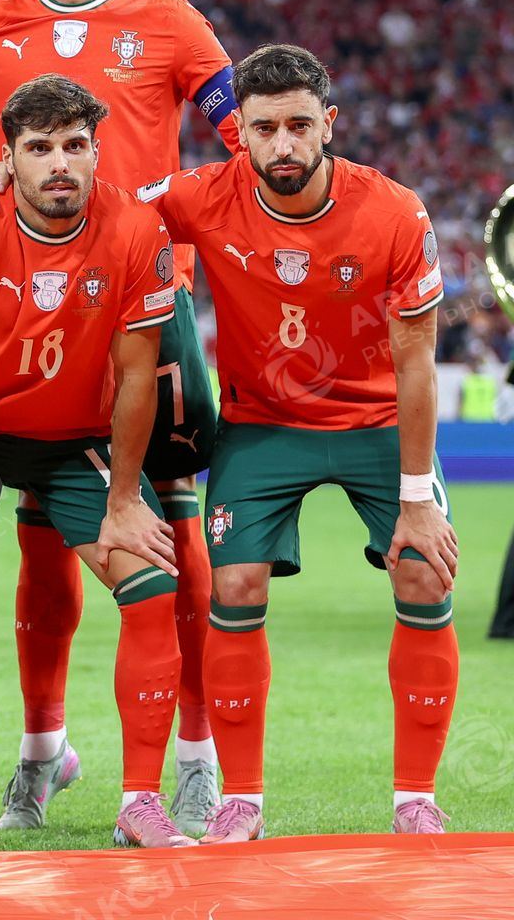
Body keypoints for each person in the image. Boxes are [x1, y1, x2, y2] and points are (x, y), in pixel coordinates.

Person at [0, 0, 239, 835]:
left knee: (164, 529)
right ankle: (41, 752)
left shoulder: (170, 21)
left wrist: (170, 204)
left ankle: (194, 756)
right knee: (46, 534)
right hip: (21, 306)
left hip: (146, 304)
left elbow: (246, 139)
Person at [133, 44, 458, 841]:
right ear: (239, 131)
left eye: (300, 126)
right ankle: (241, 800)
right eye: (265, 128)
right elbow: (103, 210)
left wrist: (418, 500)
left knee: (423, 573)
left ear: (329, 124)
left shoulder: (394, 212)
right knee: (235, 583)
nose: (283, 144)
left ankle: (414, 801)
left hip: (378, 422)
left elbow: (418, 364)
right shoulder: (200, 196)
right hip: (263, 425)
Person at [0, 74, 190, 852]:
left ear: (97, 152)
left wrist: (125, 500)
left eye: (75, 145)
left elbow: (137, 376)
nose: (60, 163)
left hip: (72, 440)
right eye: (39, 148)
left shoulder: (136, 230)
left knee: (153, 588)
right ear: (8, 158)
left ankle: (140, 803)